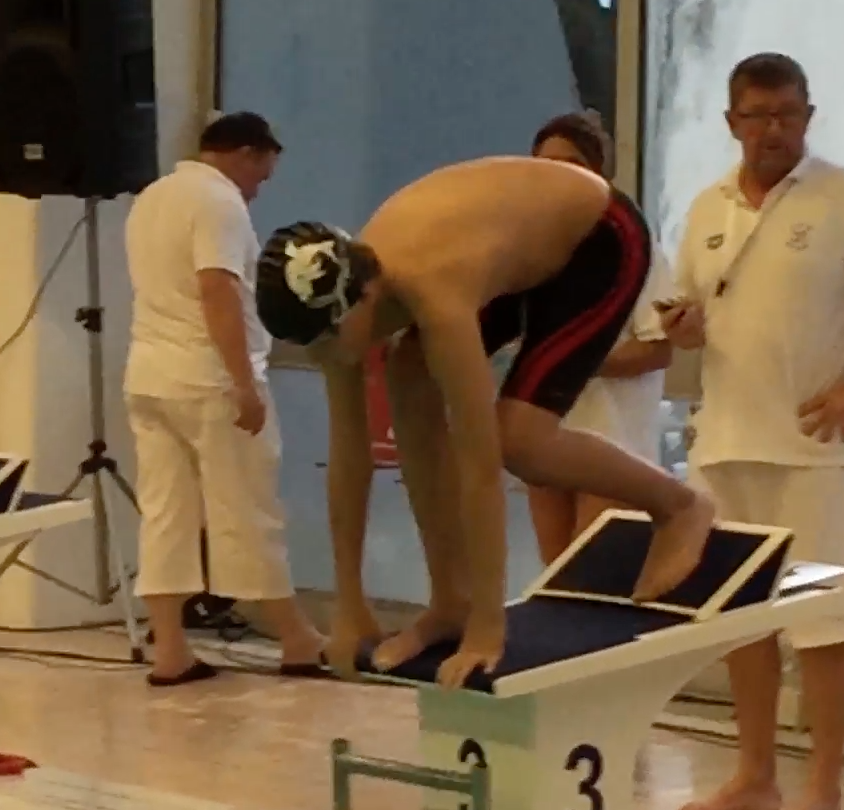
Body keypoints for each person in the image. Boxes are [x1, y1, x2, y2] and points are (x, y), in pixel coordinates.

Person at [255, 155, 715, 690]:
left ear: (366, 297)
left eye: (328, 339)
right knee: (408, 376)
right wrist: (350, 607)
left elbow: (480, 466)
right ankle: (449, 600)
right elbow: (348, 459)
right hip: (519, 249)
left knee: (518, 438)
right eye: (311, 345)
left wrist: (487, 627)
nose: (324, 355)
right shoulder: (344, 307)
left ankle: (679, 506)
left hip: (599, 238)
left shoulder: (434, 291)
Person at [660, 53, 844, 810]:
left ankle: (822, 791)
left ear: (808, 117)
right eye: (757, 116)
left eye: (787, 114)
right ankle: (754, 776)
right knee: (741, 622)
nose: (773, 129)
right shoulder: (708, 206)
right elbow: (692, 315)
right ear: (732, 122)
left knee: (820, 624)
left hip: (813, 451)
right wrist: (683, 330)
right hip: (726, 444)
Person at [124, 112, 327, 687]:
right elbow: (218, 290)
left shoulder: (152, 198)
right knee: (249, 510)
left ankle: (170, 649)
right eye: (262, 173)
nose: (259, 188)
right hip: (209, 380)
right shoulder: (218, 202)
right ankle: (298, 639)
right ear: (246, 153)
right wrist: (244, 382)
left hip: (149, 376)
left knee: (165, 515)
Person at [527, 112, 674, 563]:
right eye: (546, 165)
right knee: (553, 581)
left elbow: (658, 348)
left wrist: (574, 359)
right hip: (543, 436)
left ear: (599, 174)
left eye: (572, 164)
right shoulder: (529, 250)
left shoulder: (634, 247)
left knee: (592, 578)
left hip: (612, 444)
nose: (558, 176)